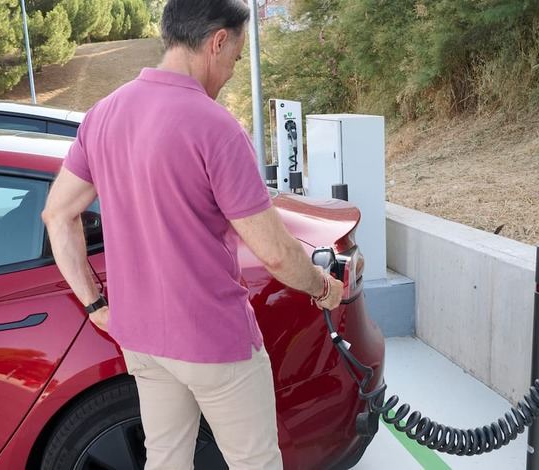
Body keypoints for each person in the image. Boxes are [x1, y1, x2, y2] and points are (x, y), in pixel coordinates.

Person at [41, 0, 343, 468]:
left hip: (142, 339)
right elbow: (276, 254)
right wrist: (323, 287)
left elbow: (58, 215)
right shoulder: (216, 127)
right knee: (255, 462)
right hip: (214, 340)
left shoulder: (103, 114)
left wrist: (96, 305)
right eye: (235, 59)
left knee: (165, 457)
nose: (231, 73)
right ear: (217, 41)